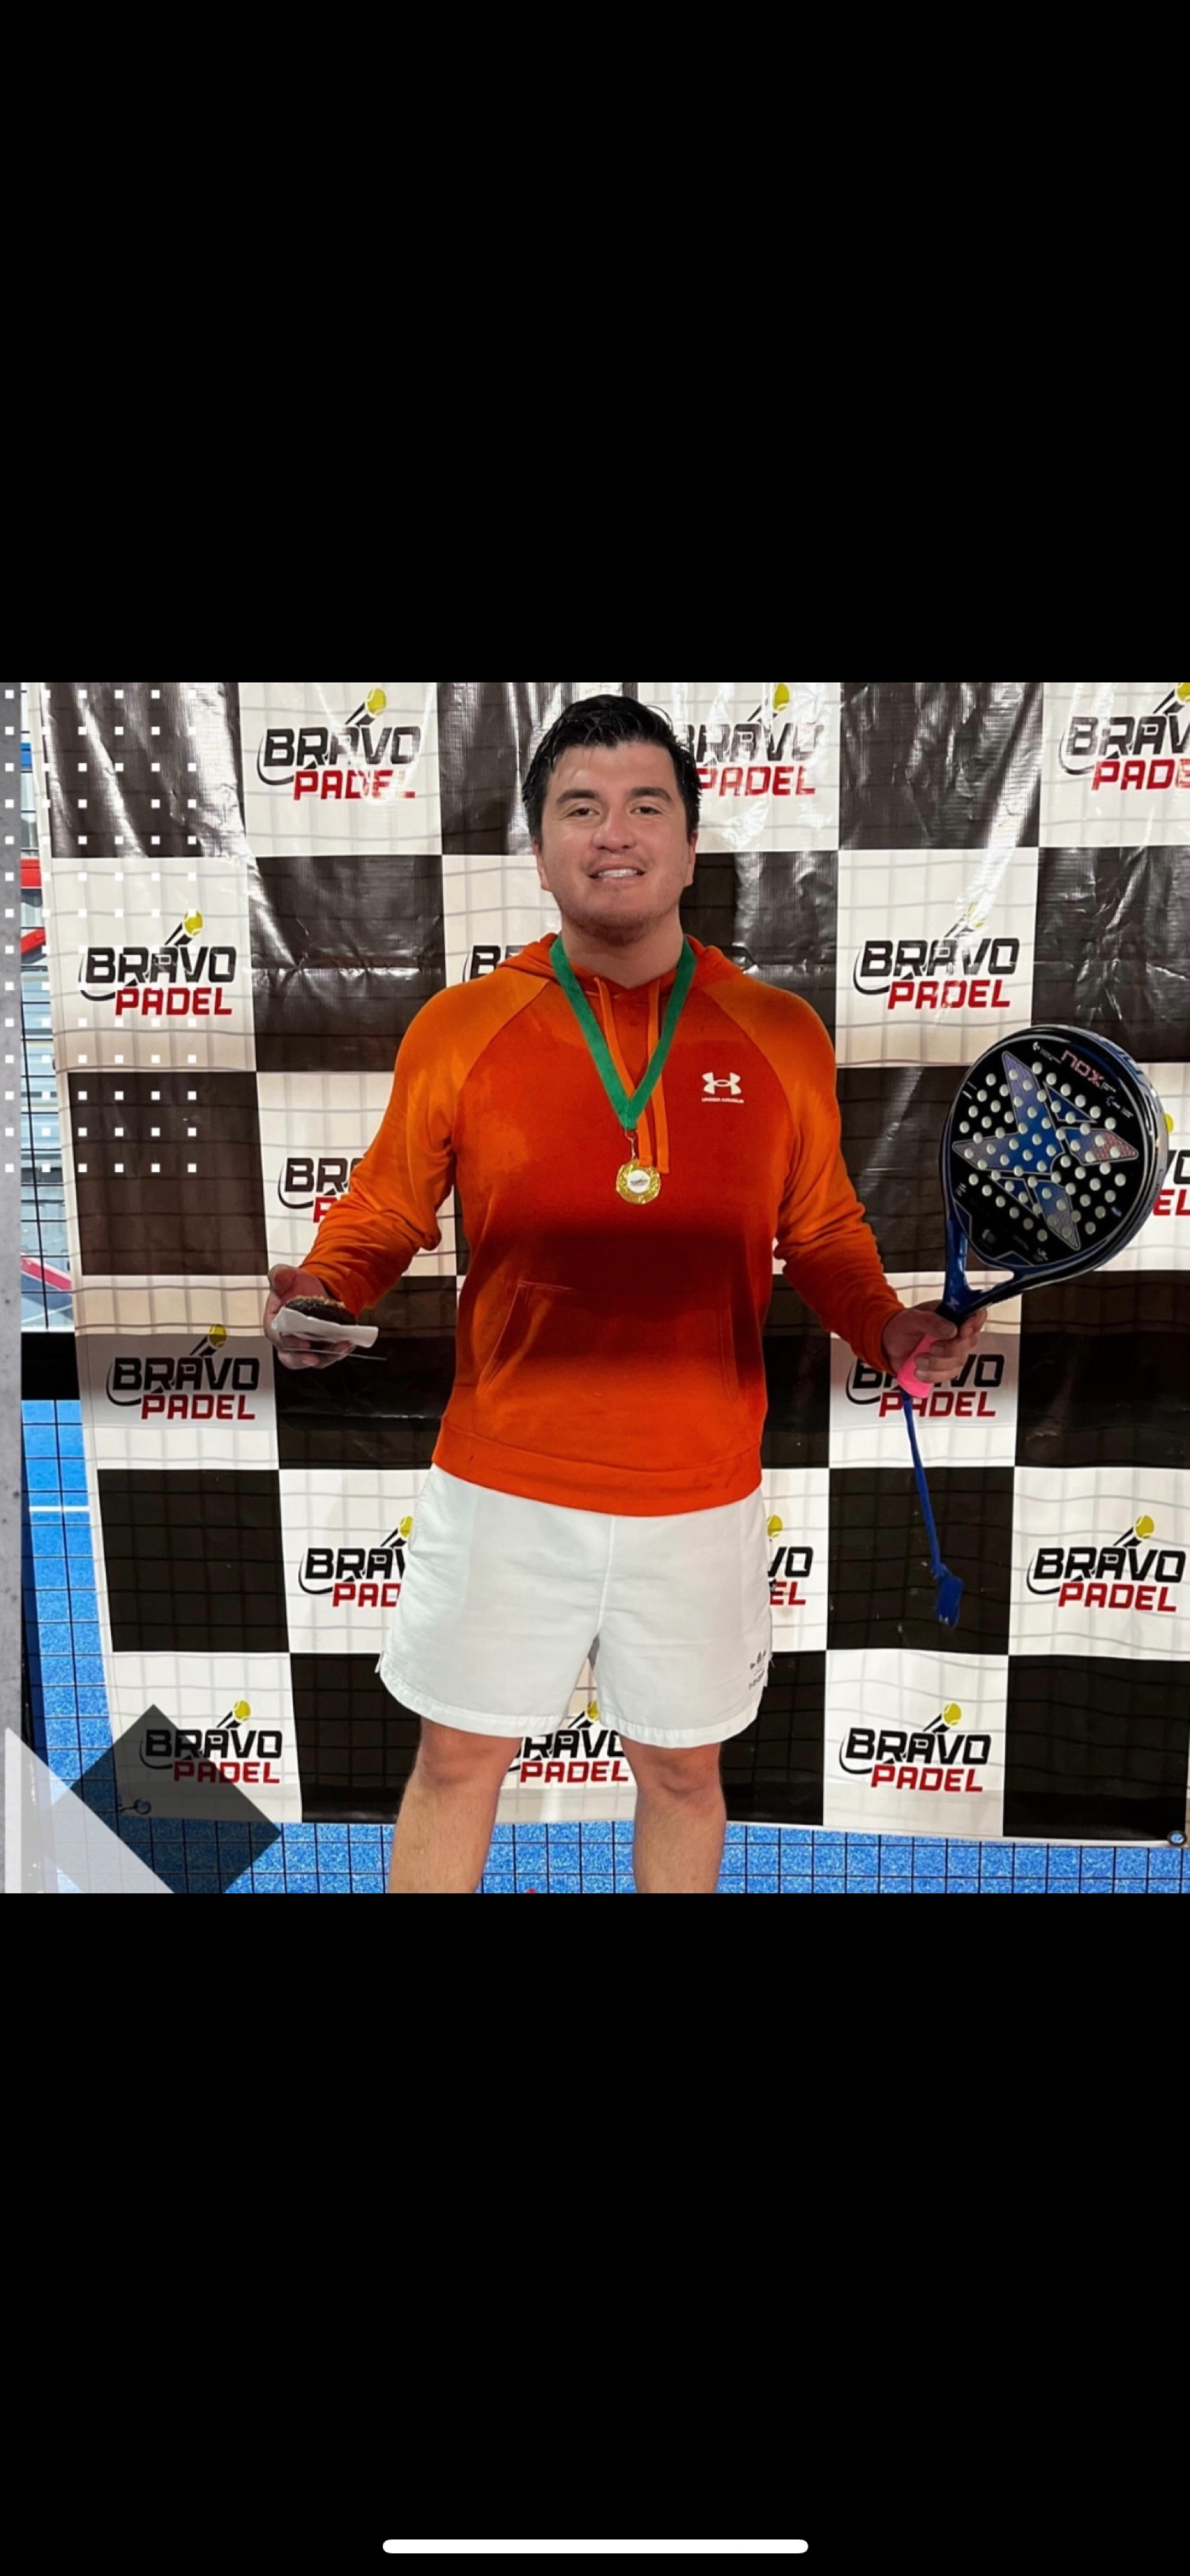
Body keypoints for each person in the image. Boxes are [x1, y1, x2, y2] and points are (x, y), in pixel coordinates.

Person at [264, 695, 986, 1894]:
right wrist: (328, 1288)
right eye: (581, 809)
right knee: (456, 1763)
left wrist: (890, 1325)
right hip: (503, 1480)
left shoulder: (779, 1033)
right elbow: (384, 1212)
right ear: (542, 850)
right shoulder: (462, 1027)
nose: (614, 833)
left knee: (686, 1778)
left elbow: (821, 1234)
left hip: (699, 1490)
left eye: (646, 807)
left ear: (691, 848)